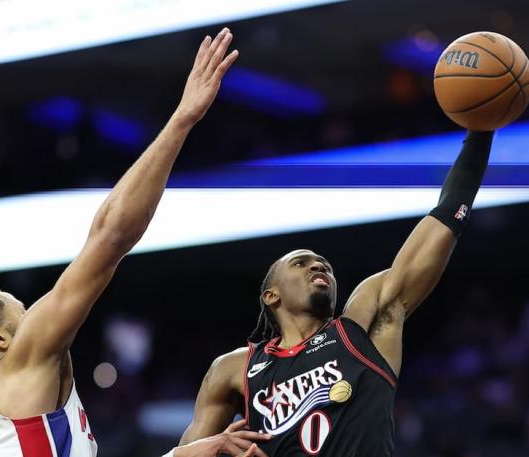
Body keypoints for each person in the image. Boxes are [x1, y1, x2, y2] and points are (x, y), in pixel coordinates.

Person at [0, 28, 267, 457]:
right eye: (19, 308)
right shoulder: (20, 363)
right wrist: (183, 118)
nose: (35, 309)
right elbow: (109, 237)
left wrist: (192, 451)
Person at [179, 130, 496, 456]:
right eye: (301, 264)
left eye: (324, 266)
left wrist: (481, 133)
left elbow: (443, 219)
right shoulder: (234, 368)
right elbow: (187, 453)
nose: (318, 267)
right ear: (271, 296)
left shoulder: (364, 325)